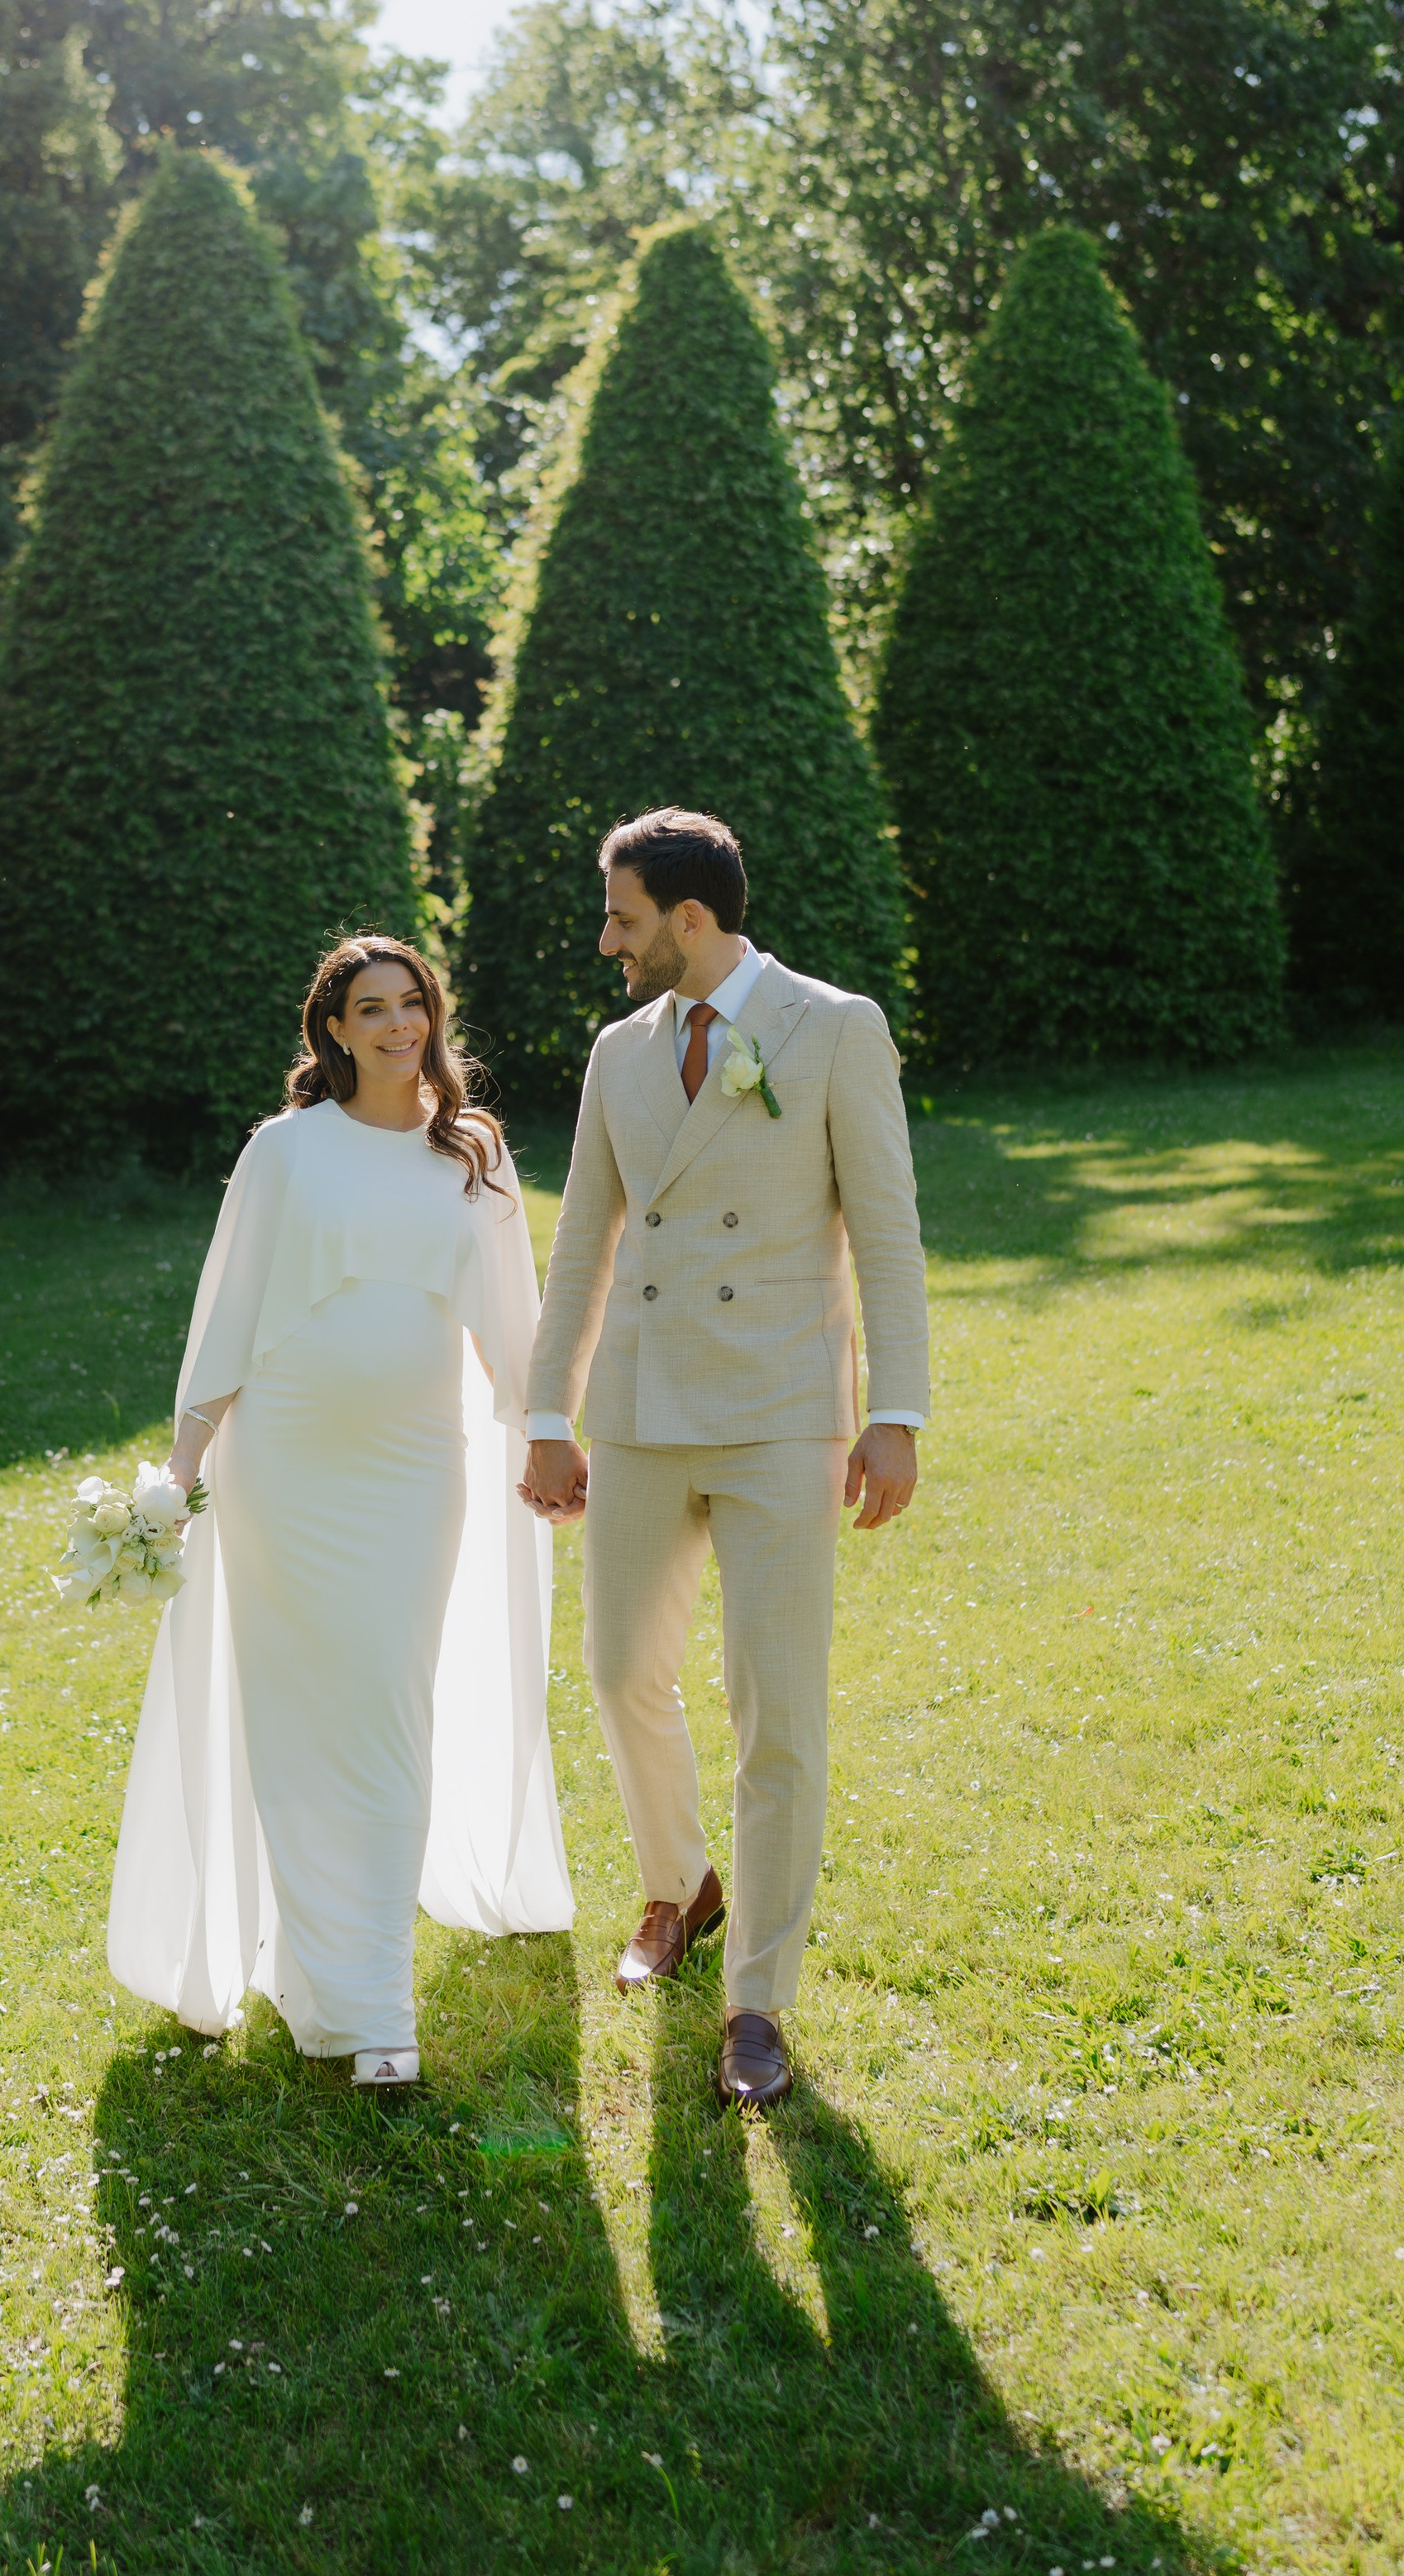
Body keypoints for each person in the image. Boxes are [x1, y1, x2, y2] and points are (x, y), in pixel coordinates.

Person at [106, 936, 572, 2086]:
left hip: (416, 1472)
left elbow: (514, 1323)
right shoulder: (285, 1153)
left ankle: (370, 1997)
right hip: (288, 1474)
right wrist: (181, 1472)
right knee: (303, 1726)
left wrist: (545, 1433)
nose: (398, 1025)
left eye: (413, 1003)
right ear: (334, 1029)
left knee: (387, 1710)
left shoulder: (473, 1152)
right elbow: (228, 1322)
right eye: (373, 1008)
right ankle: (354, 2006)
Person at [520, 809, 929, 2111]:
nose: (607, 941)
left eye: (623, 917)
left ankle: (758, 1998)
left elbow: (890, 1234)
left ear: (691, 920)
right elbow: (583, 1246)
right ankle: (677, 1885)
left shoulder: (834, 1027)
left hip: (780, 1415)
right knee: (620, 1672)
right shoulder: (616, 1053)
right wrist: (547, 1413)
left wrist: (897, 1412)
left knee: (778, 1714)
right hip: (639, 1411)